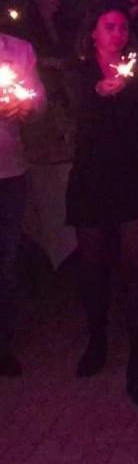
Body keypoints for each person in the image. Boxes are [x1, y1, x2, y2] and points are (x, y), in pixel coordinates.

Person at [65, 6, 138, 404]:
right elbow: (79, 107)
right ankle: (97, 338)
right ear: (93, 33)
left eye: (122, 27)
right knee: (94, 268)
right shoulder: (78, 71)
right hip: (92, 179)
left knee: (137, 270)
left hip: (133, 178)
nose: (117, 33)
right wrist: (100, 90)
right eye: (108, 27)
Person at [0, 27, 45, 377]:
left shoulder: (20, 49)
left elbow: (38, 102)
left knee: (6, 260)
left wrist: (25, 108)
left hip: (8, 169)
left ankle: (3, 344)